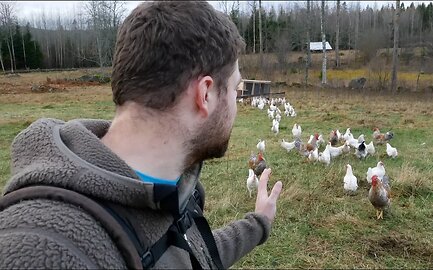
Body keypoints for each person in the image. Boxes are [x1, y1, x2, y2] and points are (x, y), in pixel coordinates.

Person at [0, 1, 282, 269]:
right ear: (205, 93)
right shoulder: (45, 248)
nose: (236, 102)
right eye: (236, 89)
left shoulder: (172, 190)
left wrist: (258, 223)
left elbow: (188, 255)